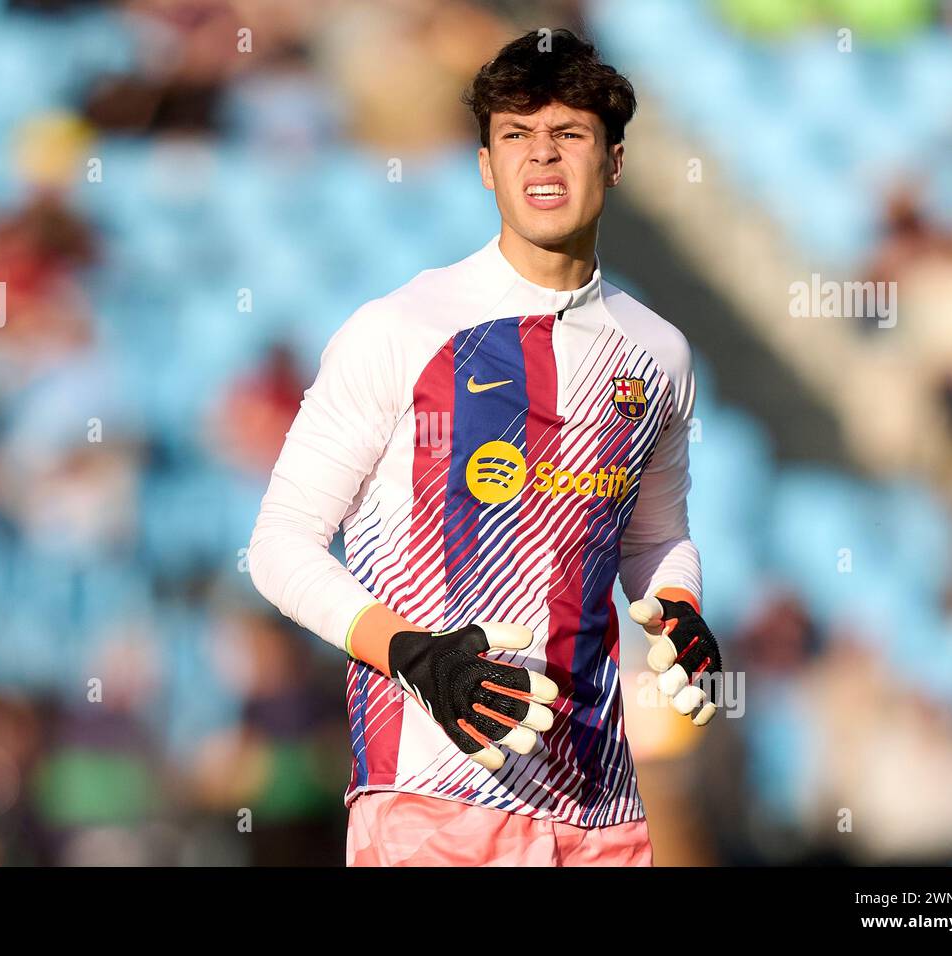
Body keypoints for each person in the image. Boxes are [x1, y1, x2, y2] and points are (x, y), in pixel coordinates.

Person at [248, 29, 723, 867]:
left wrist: (679, 609)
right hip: (431, 798)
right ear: (483, 165)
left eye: (569, 134)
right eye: (516, 136)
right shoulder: (398, 331)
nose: (543, 157)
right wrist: (413, 655)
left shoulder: (659, 354)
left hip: (602, 808)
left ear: (614, 161)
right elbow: (278, 546)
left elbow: (653, 538)